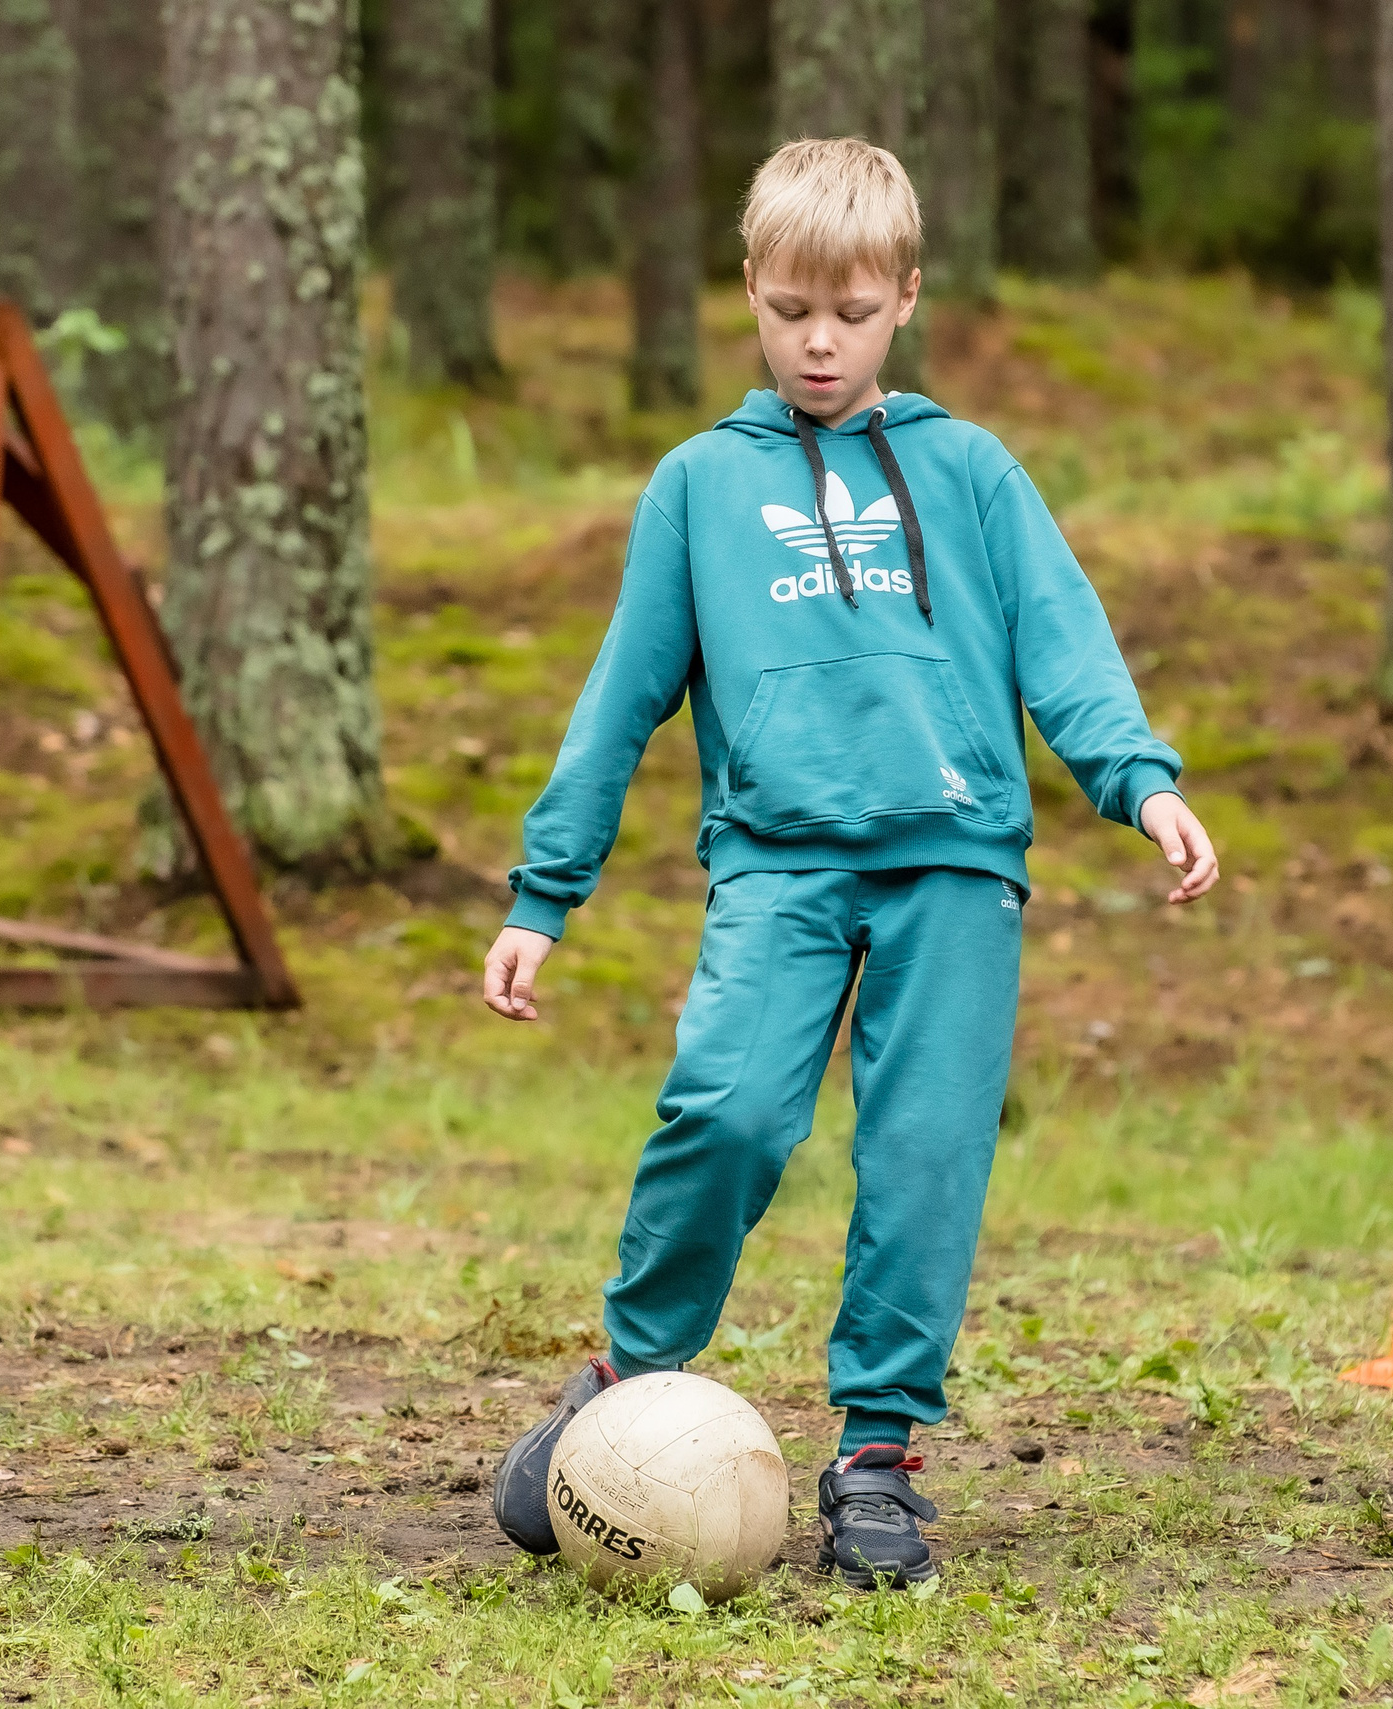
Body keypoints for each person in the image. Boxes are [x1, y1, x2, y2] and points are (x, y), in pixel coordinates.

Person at [481, 137, 1218, 1588]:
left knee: (925, 1158)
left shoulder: (972, 471)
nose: (821, 341)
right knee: (729, 1111)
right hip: (777, 862)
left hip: (956, 862)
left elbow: (1064, 641)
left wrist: (1139, 780)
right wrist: (546, 891)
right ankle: (623, 1385)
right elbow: (620, 698)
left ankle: (878, 1457)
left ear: (906, 301)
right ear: (751, 291)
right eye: (792, 309)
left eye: (855, 312)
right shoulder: (698, 485)